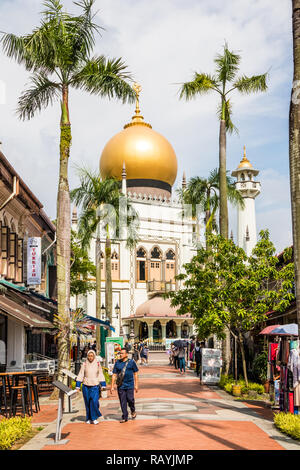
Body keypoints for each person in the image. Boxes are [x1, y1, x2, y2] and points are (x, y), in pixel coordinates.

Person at [76, 350, 106, 425]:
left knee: (94, 402)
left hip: (95, 386)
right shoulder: (84, 364)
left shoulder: (98, 364)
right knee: (87, 403)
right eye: (89, 356)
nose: (90, 357)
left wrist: (103, 384)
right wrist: (77, 385)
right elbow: (81, 374)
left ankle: (94, 417)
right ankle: (89, 418)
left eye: (92, 356)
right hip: (86, 386)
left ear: (94, 356)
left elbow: (101, 374)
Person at [111, 347, 139, 423]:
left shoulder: (131, 362)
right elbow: (114, 374)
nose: (120, 355)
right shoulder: (117, 363)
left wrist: (136, 385)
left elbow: (136, 373)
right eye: (120, 353)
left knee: (130, 399)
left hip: (130, 385)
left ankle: (133, 410)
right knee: (123, 401)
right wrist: (112, 386)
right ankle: (125, 416)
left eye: (122, 353)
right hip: (121, 385)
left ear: (126, 354)